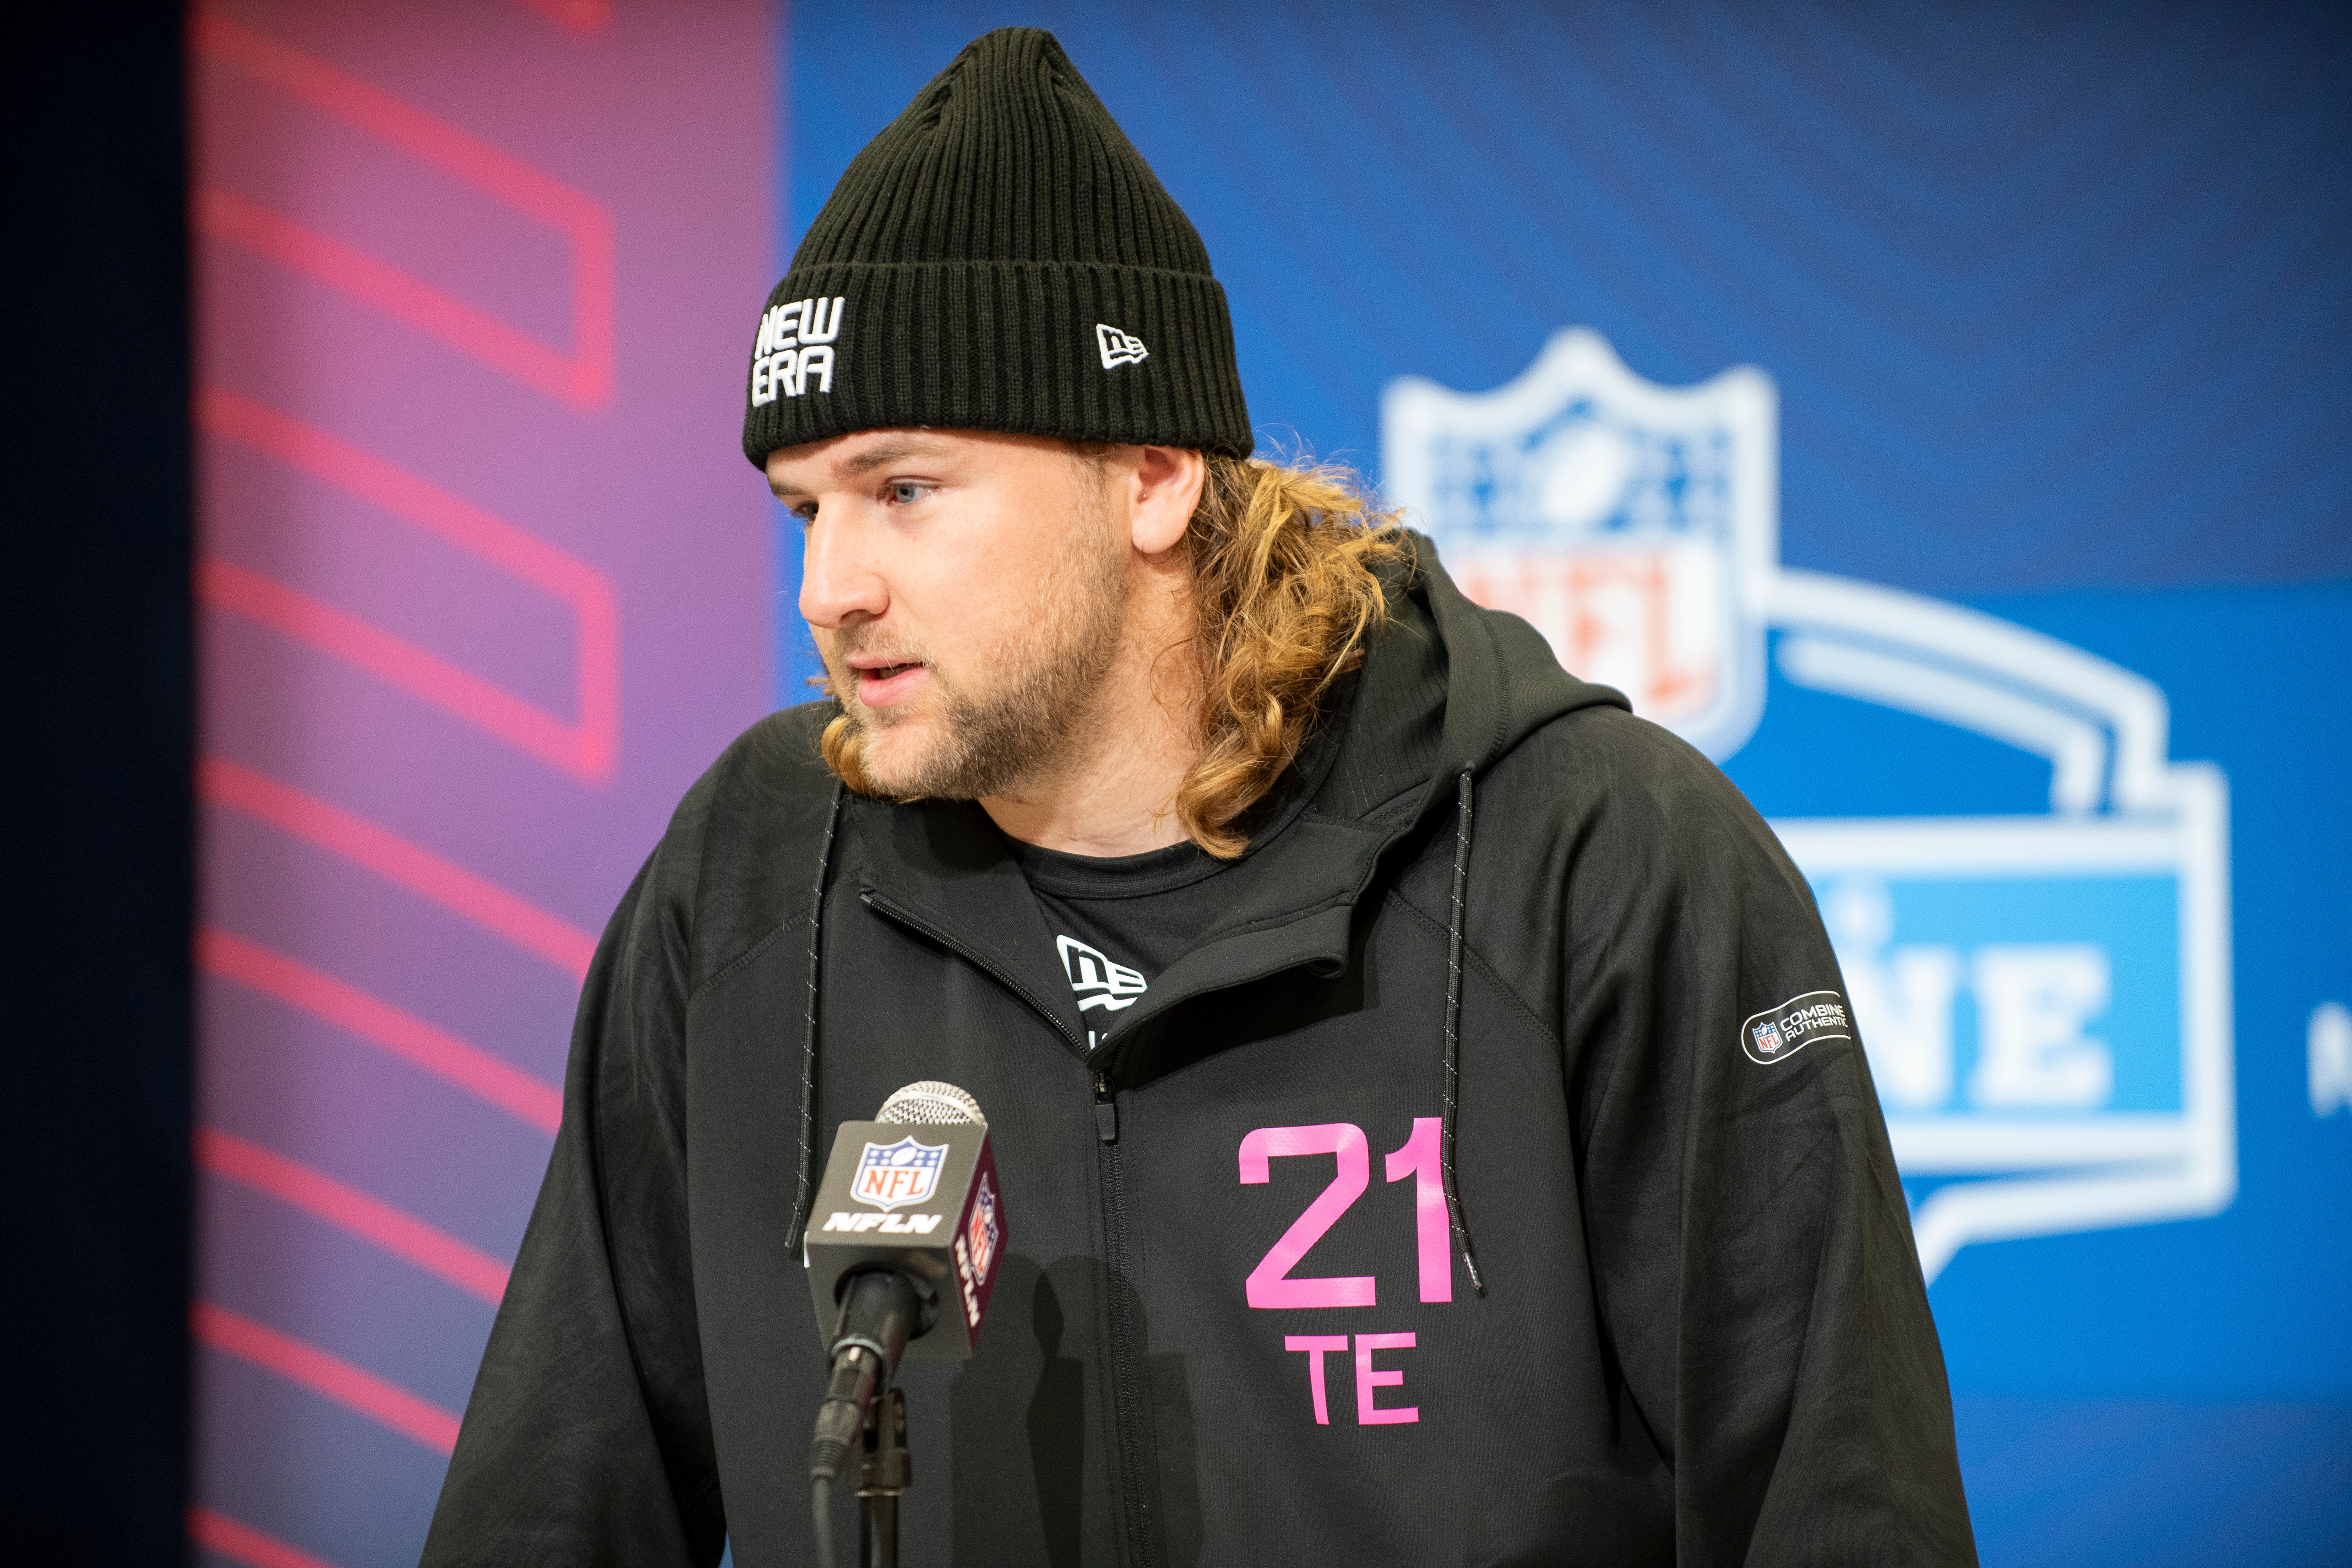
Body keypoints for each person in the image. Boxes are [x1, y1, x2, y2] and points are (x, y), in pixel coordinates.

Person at [421, 26, 1976, 1568]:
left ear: (1154, 475)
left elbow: (1840, 1509)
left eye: (904, 490)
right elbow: (554, 1506)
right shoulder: (751, 882)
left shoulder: (1594, 853)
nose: (831, 586)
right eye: (804, 509)